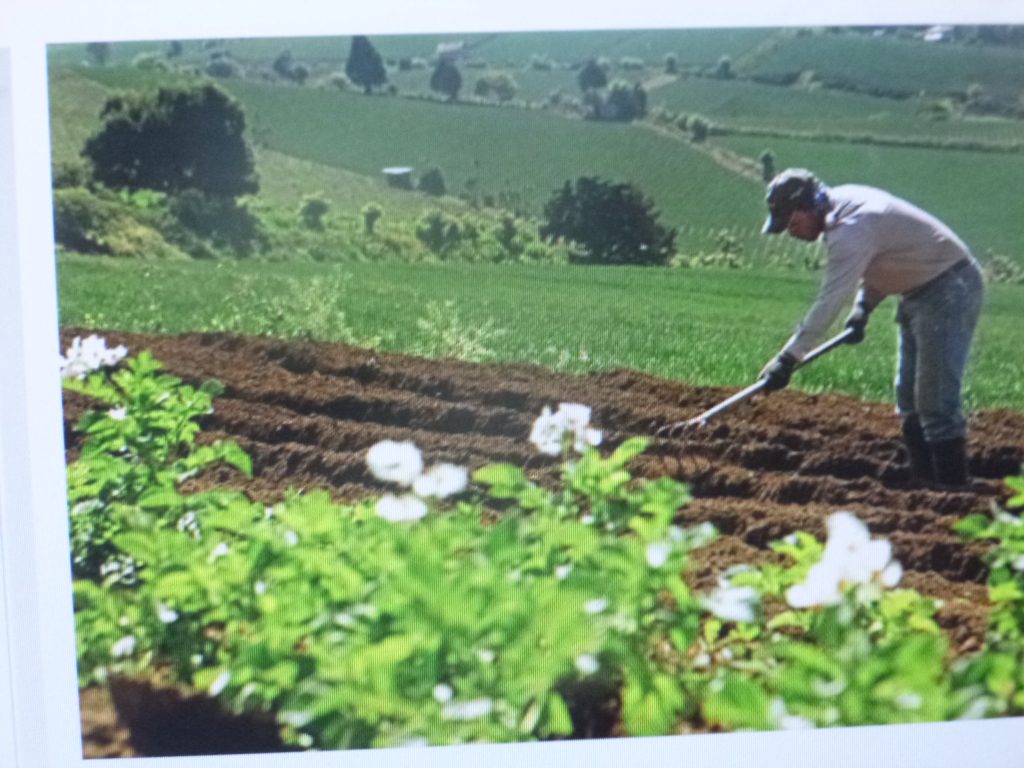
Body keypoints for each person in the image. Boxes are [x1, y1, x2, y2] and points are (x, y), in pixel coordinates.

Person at [758, 168, 984, 488]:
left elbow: (830, 301)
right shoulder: (842, 207)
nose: (791, 233)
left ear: (809, 206)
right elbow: (886, 258)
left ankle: (952, 490)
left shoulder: (851, 227)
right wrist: (863, 308)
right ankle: (924, 484)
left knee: (934, 400)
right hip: (917, 292)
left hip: (949, 289)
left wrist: (788, 358)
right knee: (908, 398)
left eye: (792, 224)